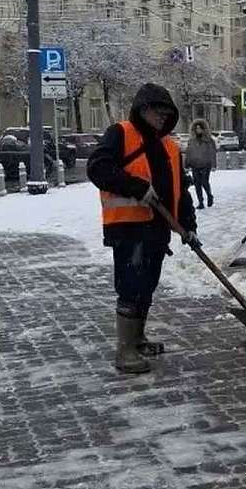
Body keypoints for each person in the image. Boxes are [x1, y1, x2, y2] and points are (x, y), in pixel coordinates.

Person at [87, 83, 197, 374]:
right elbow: (97, 168)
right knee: (130, 287)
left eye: (167, 114)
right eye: (157, 113)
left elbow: (180, 191)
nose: (162, 118)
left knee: (147, 286)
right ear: (143, 110)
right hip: (128, 227)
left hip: (157, 229)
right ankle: (125, 351)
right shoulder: (120, 133)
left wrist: (189, 226)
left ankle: (138, 339)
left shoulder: (171, 147)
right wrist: (137, 187)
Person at [185, 120, 217, 209]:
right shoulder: (191, 141)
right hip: (195, 165)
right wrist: (186, 165)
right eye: (196, 128)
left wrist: (214, 165)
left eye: (200, 128)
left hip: (206, 164)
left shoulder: (209, 141)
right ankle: (200, 202)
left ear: (204, 129)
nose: (198, 130)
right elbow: (188, 153)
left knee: (204, 182)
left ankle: (209, 196)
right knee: (197, 184)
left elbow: (212, 153)